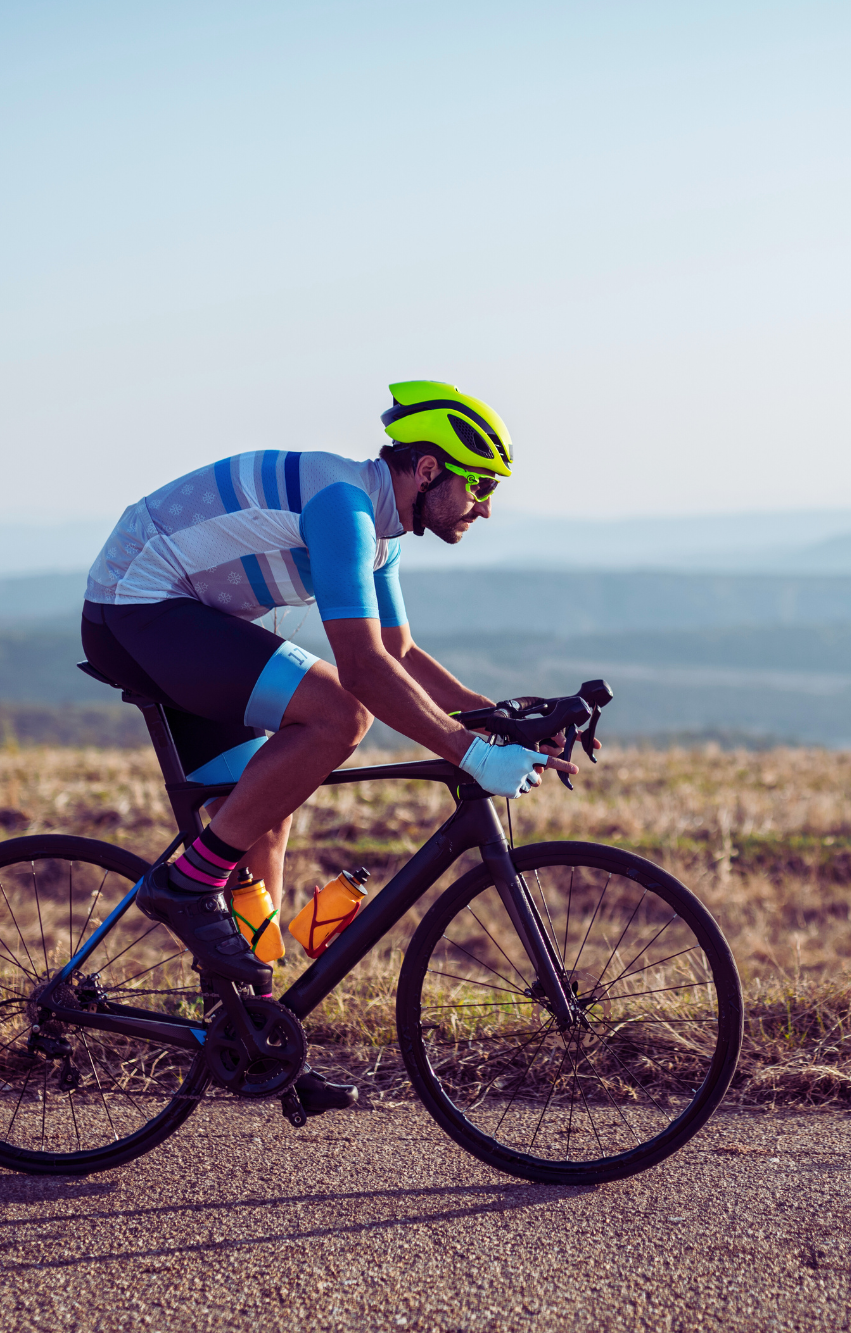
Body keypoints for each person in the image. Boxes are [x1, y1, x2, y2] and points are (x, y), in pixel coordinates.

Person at [79, 380, 577, 1108]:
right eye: (480, 483)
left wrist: (495, 717)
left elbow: (399, 652)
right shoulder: (344, 508)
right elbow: (365, 671)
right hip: (137, 605)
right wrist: (466, 754)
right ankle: (186, 883)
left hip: (183, 619)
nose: (487, 505)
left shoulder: (378, 530)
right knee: (341, 714)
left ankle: (253, 1036)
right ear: (430, 469)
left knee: (263, 816)